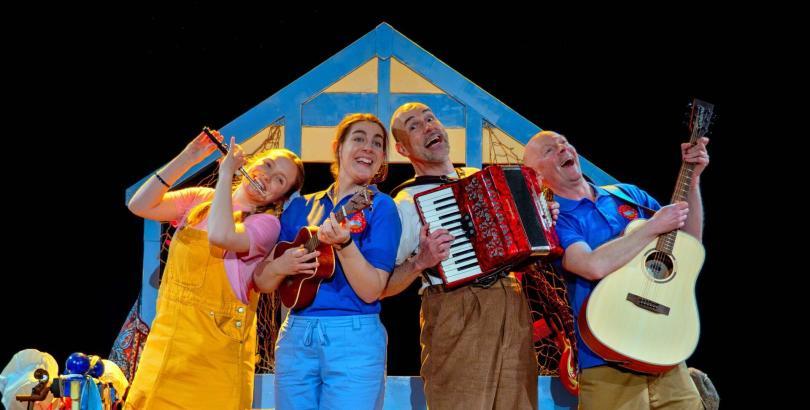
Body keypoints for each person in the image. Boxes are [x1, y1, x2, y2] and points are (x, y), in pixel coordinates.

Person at [523, 130, 710, 409]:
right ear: (536, 175)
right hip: (606, 359)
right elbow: (590, 265)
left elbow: (689, 242)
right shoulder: (554, 220)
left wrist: (692, 179)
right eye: (549, 150)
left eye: (564, 142)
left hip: (664, 352)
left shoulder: (628, 194)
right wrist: (652, 226)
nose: (562, 148)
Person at [382, 102, 551, 409]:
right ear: (402, 149)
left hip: (511, 301)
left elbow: (524, 241)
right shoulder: (406, 201)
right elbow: (384, 285)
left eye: (430, 118)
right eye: (414, 126)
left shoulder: (482, 177)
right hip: (454, 306)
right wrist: (420, 261)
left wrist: (543, 216)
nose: (428, 126)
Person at [125, 130, 304, 409]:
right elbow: (139, 205)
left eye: (280, 180)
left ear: (279, 198)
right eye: (267, 165)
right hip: (167, 349)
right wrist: (189, 157)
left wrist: (224, 178)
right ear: (251, 162)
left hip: (216, 361)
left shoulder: (266, 226)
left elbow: (221, 235)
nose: (268, 177)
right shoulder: (200, 201)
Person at [255, 113, 401, 410]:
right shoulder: (299, 206)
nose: (368, 148)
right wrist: (281, 267)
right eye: (358, 138)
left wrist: (345, 245)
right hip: (296, 332)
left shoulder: (381, 207)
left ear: (383, 158)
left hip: (354, 337)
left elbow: (372, 289)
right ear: (338, 147)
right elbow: (262, 281)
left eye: (377, 143)